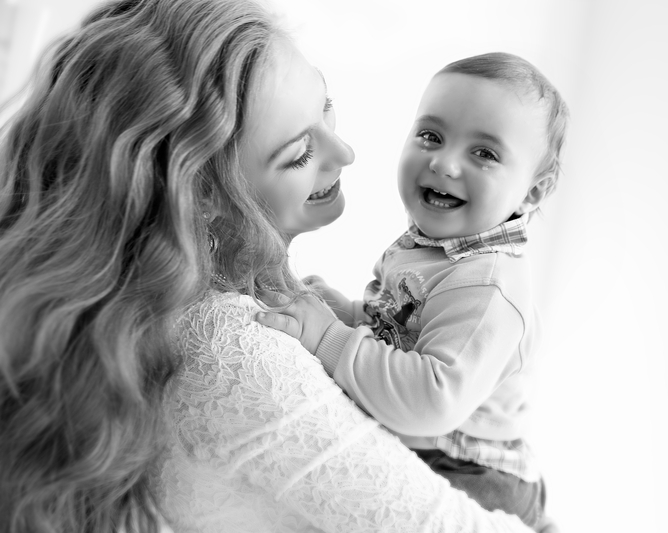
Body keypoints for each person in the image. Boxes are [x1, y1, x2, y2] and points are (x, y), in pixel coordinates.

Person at [0, 0, 553, 532]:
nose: (345, 153)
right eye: (300, 153)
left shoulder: (485, 279)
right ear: (203, 195)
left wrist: (339, 319)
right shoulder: (234, 350)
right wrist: (335, 331)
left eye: (326, 105)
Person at [255, 52, 569, 529]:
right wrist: (346, 313)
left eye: (484, 154)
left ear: (532, 192)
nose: (443, 163)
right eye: (431, 136)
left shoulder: (488, 286)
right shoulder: (431, 246)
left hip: (471, 472)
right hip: (426, 442)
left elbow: (431, 399)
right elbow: (401, 328)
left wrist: (327, 337)